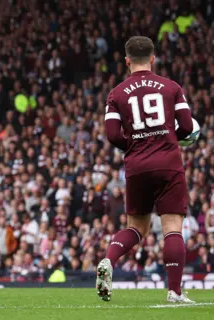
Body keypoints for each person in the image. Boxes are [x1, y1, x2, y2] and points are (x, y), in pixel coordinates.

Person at [99, 36, 194, 303]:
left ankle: (109, 260)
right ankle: (174, 292)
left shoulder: (116, 94)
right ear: (153, 58)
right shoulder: (171, 87)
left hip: (137, 165)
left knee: (136, 227)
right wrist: (168, 137)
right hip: (168, 163)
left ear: (127, 60)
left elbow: (112, 134)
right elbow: (186, 127)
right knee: (172, 229)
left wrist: (136, 144)